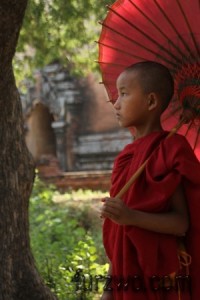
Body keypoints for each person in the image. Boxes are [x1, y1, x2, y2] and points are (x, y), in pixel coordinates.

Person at [100, 61, 200, 300]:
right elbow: (119, 232)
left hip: (160, 275)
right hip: (126, 271)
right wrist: (108, 289)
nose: (116, 103)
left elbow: (181, 223)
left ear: (151, 102)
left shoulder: (169, 151)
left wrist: (131, 217)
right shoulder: (126, 156)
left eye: (124, 94)